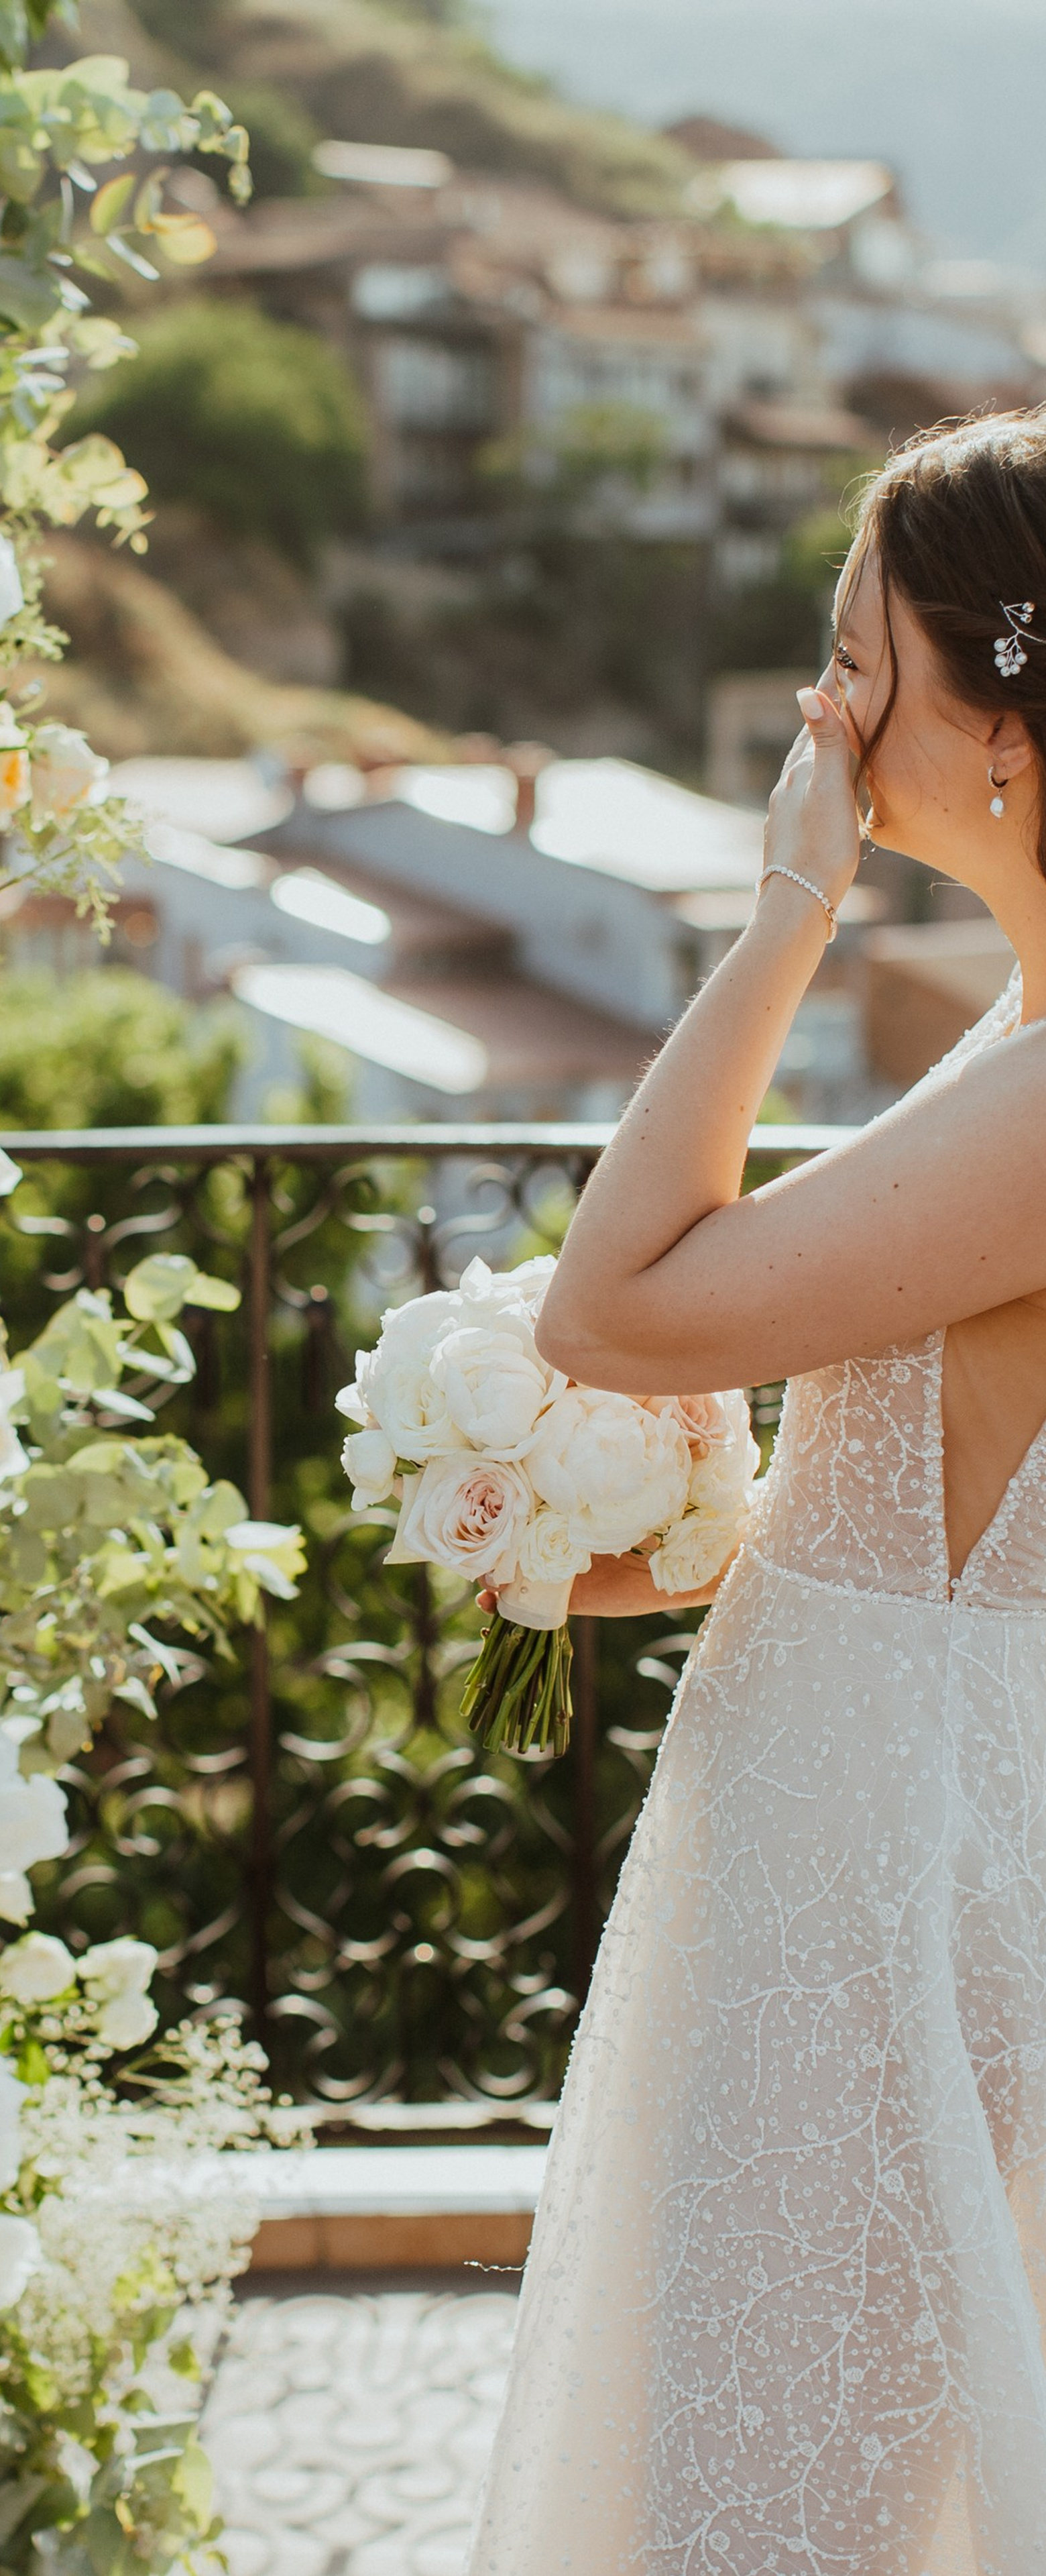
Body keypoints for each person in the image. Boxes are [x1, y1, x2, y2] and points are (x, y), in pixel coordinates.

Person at [471, 408, 1046, 2573]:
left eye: (857, 660)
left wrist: (791, 905)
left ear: (1002, 721)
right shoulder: (1018, 1024)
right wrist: (723, 1535)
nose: (823, 708)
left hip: (888, 1872)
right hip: (873, 1801)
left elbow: (615, 1302)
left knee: (778, 2497)